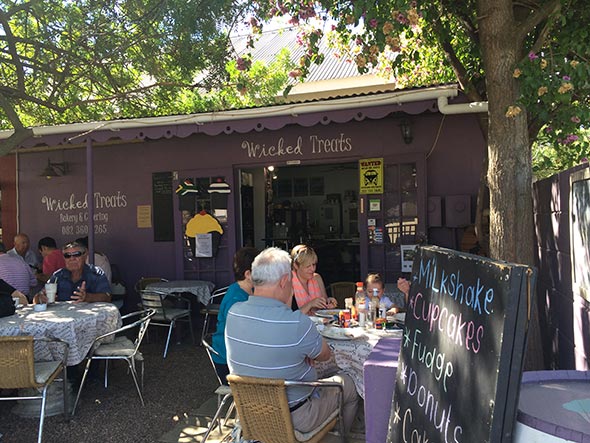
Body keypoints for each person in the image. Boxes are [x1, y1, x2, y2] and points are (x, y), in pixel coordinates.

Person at [225, 247, 359, 435]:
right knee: (350, 384)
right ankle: (334, 436)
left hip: (251, 416)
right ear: (284, 282)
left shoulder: (234, 313)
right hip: (296, 417)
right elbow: (325, 355)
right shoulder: (295, 322)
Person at [210, 247, 259, 384]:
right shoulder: (236, 300)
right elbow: (239, 338)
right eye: (261, 270)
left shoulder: (245, 290)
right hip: (228, 361)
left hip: (236, 354)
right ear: (248, 274)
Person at [34, 241, 111, 303]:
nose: (72, 258)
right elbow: (37, 298)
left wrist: (88, 297)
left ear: (85, 255)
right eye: (67, 256)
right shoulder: (58, 276)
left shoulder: (96, 273)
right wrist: (40, 298)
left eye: (76, 254)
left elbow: (107, 297)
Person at [290, 244, 337, 315]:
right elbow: (289, 317)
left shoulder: (317, 278)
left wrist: (329, 303)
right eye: (308, 266)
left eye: (314, 264)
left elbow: (325, 305)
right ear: (296, 265)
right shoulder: (289, 282)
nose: (312, 269)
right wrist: (310, 304)